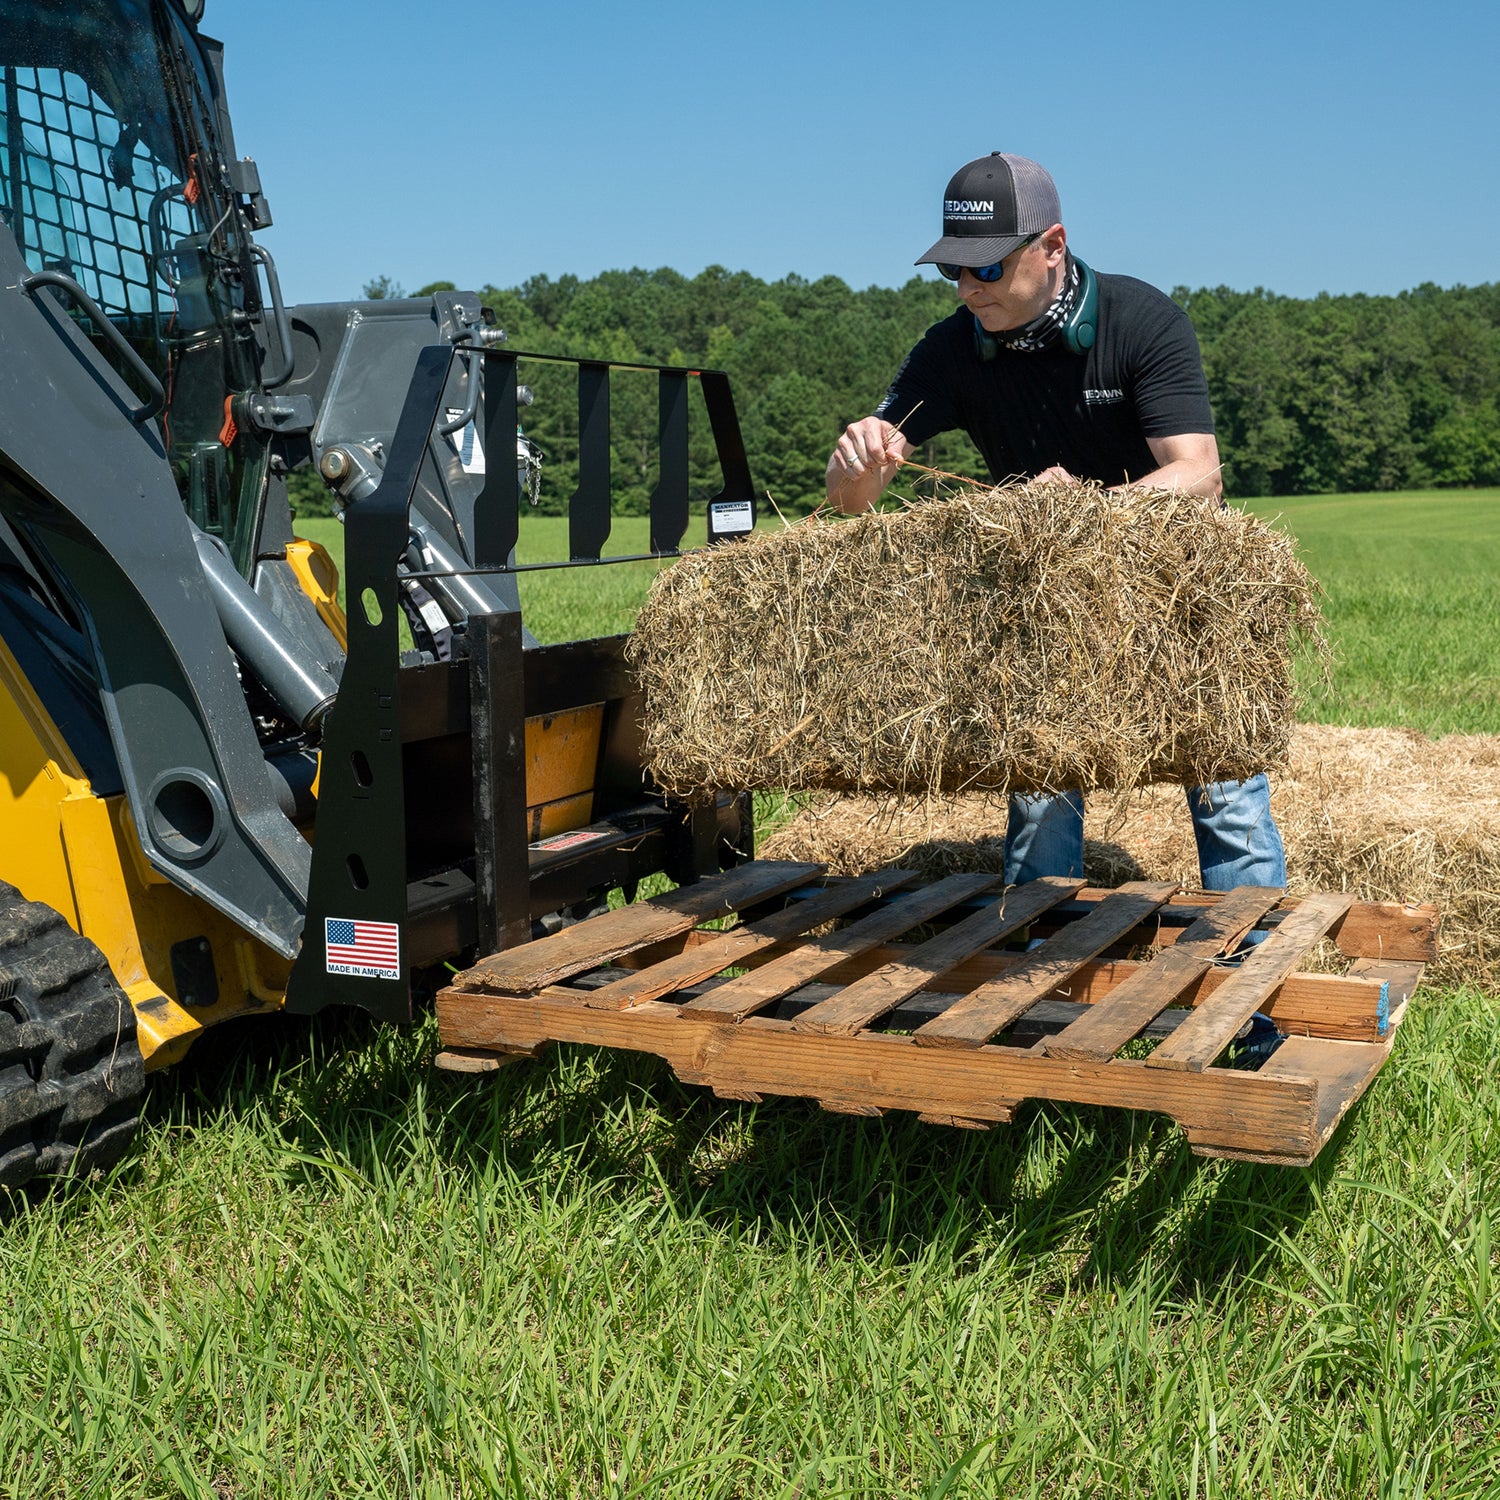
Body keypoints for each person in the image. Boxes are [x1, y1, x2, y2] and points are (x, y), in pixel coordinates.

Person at [824, 150, 1286, 894]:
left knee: (1225, 797)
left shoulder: (1141, 320)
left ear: (1053, 246)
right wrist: (857, 465)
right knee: (1040, 800)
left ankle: (1260, 1001)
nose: (970, 289)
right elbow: (850, 502)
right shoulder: (950, 350)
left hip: (1181, 592)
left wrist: (1085, 513)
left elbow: (1200, 473)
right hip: (1048, 603)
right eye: (955, 271)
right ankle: (1045, 996)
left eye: (989, 268)